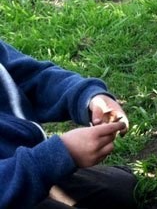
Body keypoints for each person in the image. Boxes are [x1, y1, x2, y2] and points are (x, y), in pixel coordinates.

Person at [0, 38, 137, 209]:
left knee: (121, 189)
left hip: (25, 166)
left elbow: (31, 76)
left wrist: (89, 97)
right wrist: (57, 156)